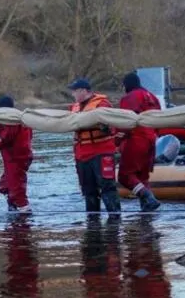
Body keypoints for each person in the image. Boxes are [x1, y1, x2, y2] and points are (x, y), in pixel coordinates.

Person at [69, 78, 121, 213]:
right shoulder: (74, 107)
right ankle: (93, 221)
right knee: (88, 190)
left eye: (74, 91)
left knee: (107, 187)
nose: (73, 95)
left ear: (83, 91)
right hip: (82, 154)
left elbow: (112, 127)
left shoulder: (102, 104)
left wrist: (104, 125)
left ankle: (115, 218)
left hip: (101, 151)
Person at [117, 72, 162, 212]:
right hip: (152, 139)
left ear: (127, 85)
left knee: (125, 176)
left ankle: (148, 198)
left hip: (136, 138)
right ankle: (147, 211)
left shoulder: (130, 97)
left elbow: (125, 121)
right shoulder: (153, 97)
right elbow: (160, 120)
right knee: (142, 177)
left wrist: (117, 140)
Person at [0, 95, 34, 213]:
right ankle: (13, 206)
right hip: (23, 156)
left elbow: (0, 143)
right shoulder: (22, 119)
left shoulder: (10, 123)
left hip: (15, 159)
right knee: (7, 185)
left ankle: (23, 215)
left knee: (16, 188)